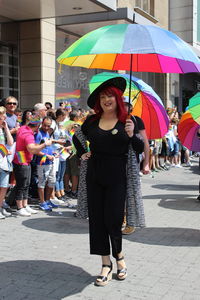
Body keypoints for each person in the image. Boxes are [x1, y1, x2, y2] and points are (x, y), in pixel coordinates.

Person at [73, 78, 144, 286]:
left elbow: (140, 148)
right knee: (97, 222)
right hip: (94, 176)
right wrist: (82, 153)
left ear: (118, 98)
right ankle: (105, 264)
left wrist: (132, 135)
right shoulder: (92, 121)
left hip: (117, 178)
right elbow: (77, 136)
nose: (106, 100)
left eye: (110, 96)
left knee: (113, 221)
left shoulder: (129, 121)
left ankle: (119, 257)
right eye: (103, 97)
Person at [13, 116, 52, 216]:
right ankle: (19, 207)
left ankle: (25, 205)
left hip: (23, 160)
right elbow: (32, 150)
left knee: (26, 184)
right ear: (38, 125)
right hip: (22, 161)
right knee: (22, 185)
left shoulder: (23, 128)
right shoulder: (28, 134)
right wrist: (45, 144)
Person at [122, 97, 148, 234]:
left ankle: (130, 223)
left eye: (127, 105)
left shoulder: (137, 120)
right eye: (122, 105)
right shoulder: (113, 119)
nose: (124, 107)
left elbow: (143, 143)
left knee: (131, 193)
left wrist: (147, 163)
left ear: (131, 107)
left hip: (131, 162)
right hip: (116, 162)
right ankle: (121, 218)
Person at [35, 117, 58, 211]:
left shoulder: (47, 132)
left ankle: (48, 200)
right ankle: (42, 202)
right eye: (44, 125)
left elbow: (48, 146)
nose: (46, 127)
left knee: (52, 181)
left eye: (48, 125)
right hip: (42, 163)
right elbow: (35, 150)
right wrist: (47, 156)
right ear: (41, 123)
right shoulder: (38, 134)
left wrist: (53, 153)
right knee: (42, 183)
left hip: (50, 162)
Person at [0, 107, 14, 219]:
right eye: (3, 115)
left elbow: (10, 142)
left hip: (4, 163)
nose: (5, 117)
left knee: (4, 187)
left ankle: (0, 207)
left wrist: (6, 128)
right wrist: (5, 150)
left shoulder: (2, 128)